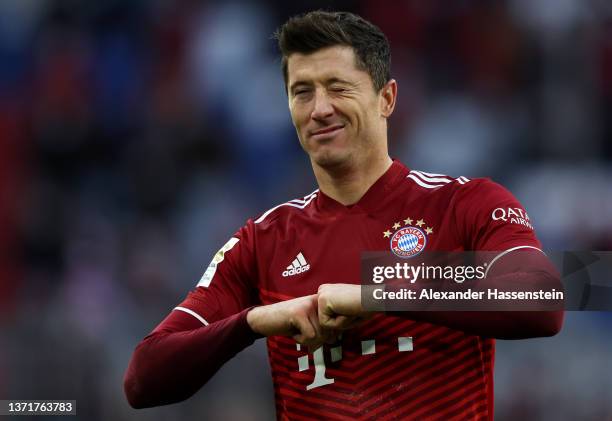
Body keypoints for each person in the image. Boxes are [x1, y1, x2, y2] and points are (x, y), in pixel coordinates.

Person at [124, 10, 563, 420]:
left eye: (338, 87)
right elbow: (143, 378)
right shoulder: (263, 240)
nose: (319, 109)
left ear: (386, 98)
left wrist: (375, 291)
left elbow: (547, 299)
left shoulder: (467, 202)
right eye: (302, 92)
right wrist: (254, 322)